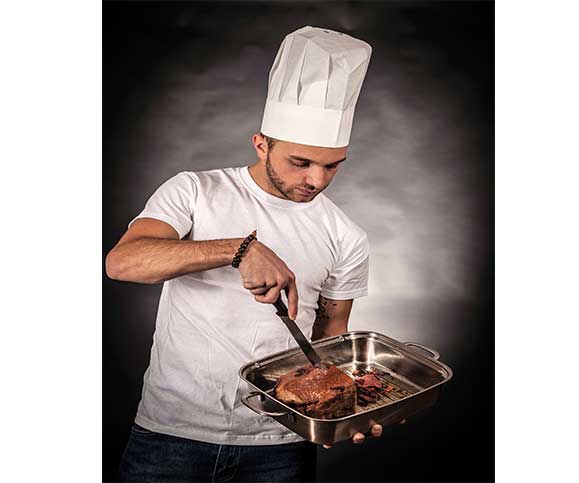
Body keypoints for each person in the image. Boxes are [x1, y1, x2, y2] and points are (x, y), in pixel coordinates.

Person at [106, 26, 383, 482]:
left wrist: (348, 407)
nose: (316, 180)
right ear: (261, 144)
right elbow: (123, 263)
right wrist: (239, 249)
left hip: (281, 444)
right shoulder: (195, 191)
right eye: (301, 162)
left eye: (332, 165)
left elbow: (329, 339)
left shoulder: (346, 236)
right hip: (170, 436)